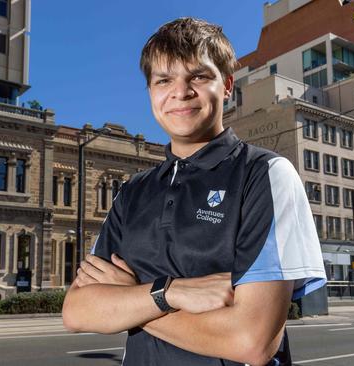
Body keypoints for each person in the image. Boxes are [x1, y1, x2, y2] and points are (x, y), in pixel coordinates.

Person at [62, 17, 326, 365]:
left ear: (228, 85)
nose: (180, 91)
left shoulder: (266, 175)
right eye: (164, 80)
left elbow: (252, 341)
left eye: (198, 77)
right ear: (151, 92)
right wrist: (168, 293)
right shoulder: (132, 192)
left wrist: (130, 297)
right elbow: (78, 311)